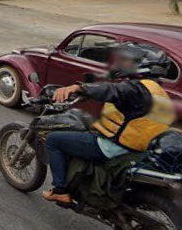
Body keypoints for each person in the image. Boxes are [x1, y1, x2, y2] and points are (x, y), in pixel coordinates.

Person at [42, 43, 175, 204]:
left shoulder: (134, 88)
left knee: (54, 140)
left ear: (143, 64)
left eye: (127, 61)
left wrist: (78, 87)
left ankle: (59, 190)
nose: (122, 63)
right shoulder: (156, 89)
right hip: (141, 145)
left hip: (115, 147)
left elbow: (113, 90)